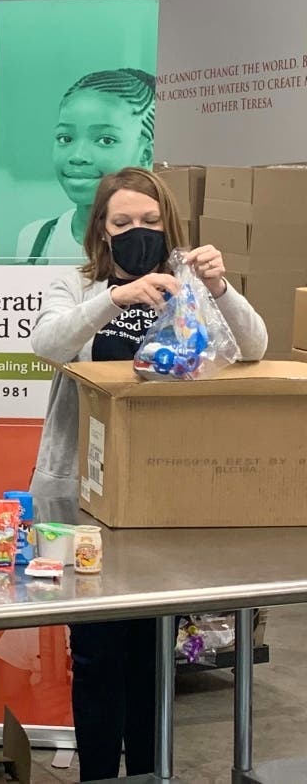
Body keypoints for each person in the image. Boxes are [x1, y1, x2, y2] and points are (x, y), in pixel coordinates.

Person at [27, 167, 267, 780]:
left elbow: (253, 347)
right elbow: (47, 343)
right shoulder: (75, 287)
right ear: (102, 233)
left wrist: (218, 287)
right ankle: (100, 774)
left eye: (151, 222)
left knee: (153, 652)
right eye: (123, 222)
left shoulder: (191, 287)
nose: (139, 232)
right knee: (98, 651)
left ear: (172, 227)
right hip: (85, 504)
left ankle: (150, 772)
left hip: (160, 500)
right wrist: (114, 297)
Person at [18, 69, 156, 265]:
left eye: (105, 140)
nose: (77, 156)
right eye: (65, 138)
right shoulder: (34, 239)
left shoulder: (160, 245)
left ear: (146, 154)